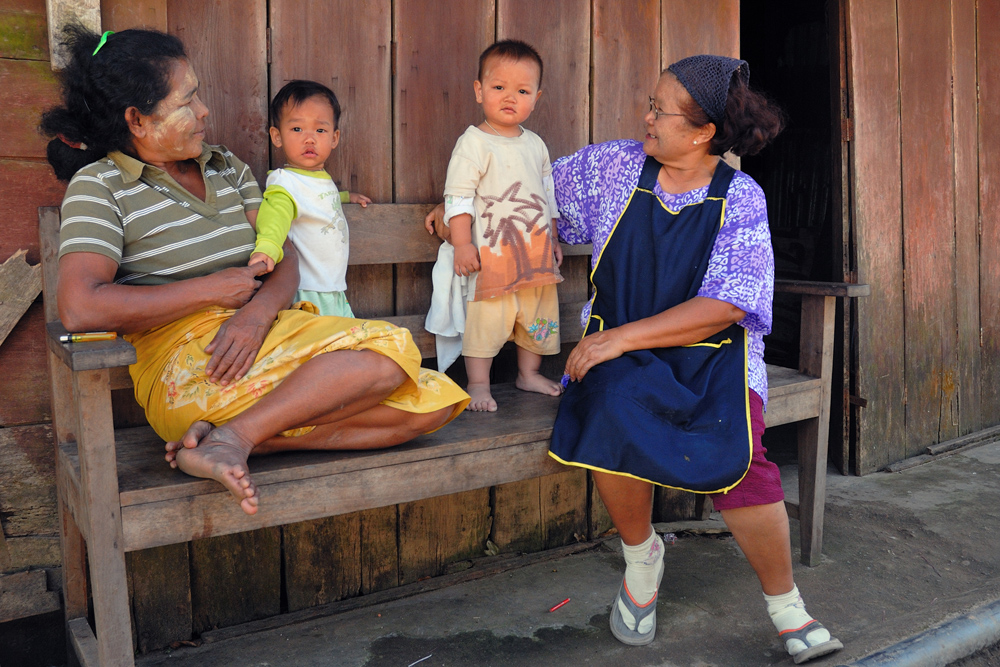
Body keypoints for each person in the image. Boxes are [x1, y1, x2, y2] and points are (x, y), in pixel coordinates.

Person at [426, 55, 842, 664]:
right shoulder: (612, 167)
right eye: (650, 104)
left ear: (702, 132)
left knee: (741, 453)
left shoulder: (740, 196)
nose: (645, 118)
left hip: (712, 357)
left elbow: (727, 305)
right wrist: (456, 221)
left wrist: (619, 339)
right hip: (617, 351)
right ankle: (642, 557)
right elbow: (522, 200)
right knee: (607, 408)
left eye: (660, 110)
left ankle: (786, 606)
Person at [40, 26, 469, 516]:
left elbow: (282, 254)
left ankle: (240, 439)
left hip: (266, 333)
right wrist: (209, 292)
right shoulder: (100, 185)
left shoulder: (225, 167)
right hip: (190, 367)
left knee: (434, 400)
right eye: (188, 101)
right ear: (138, 119)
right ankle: (240, 434)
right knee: (386, 356)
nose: (204, 111)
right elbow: (80, 306)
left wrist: (256, 313)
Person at [426, 39, 564, 412]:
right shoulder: (473, 143)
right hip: (492, 257)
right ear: (479, 90)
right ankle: (478, 383)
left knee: (537, 320)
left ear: (536, 97)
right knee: (486, 323)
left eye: (522, 90)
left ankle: (528, 374)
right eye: (499, 87)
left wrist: (552, 236)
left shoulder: (535, 145)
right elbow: (458, 196)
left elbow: (546, 194)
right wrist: (462, 244)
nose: (509, 97)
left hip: (535, 256)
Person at [248, 80, 371, 318]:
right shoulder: (284, 183)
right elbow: (275, 217)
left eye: (320, 130)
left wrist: (344, 197)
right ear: (277, 136)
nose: (309, 138)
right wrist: (267, 248)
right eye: (297, 129)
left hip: (332, 287)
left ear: (334, 138)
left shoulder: (320, 179)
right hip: (306, 292)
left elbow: (317, 198)